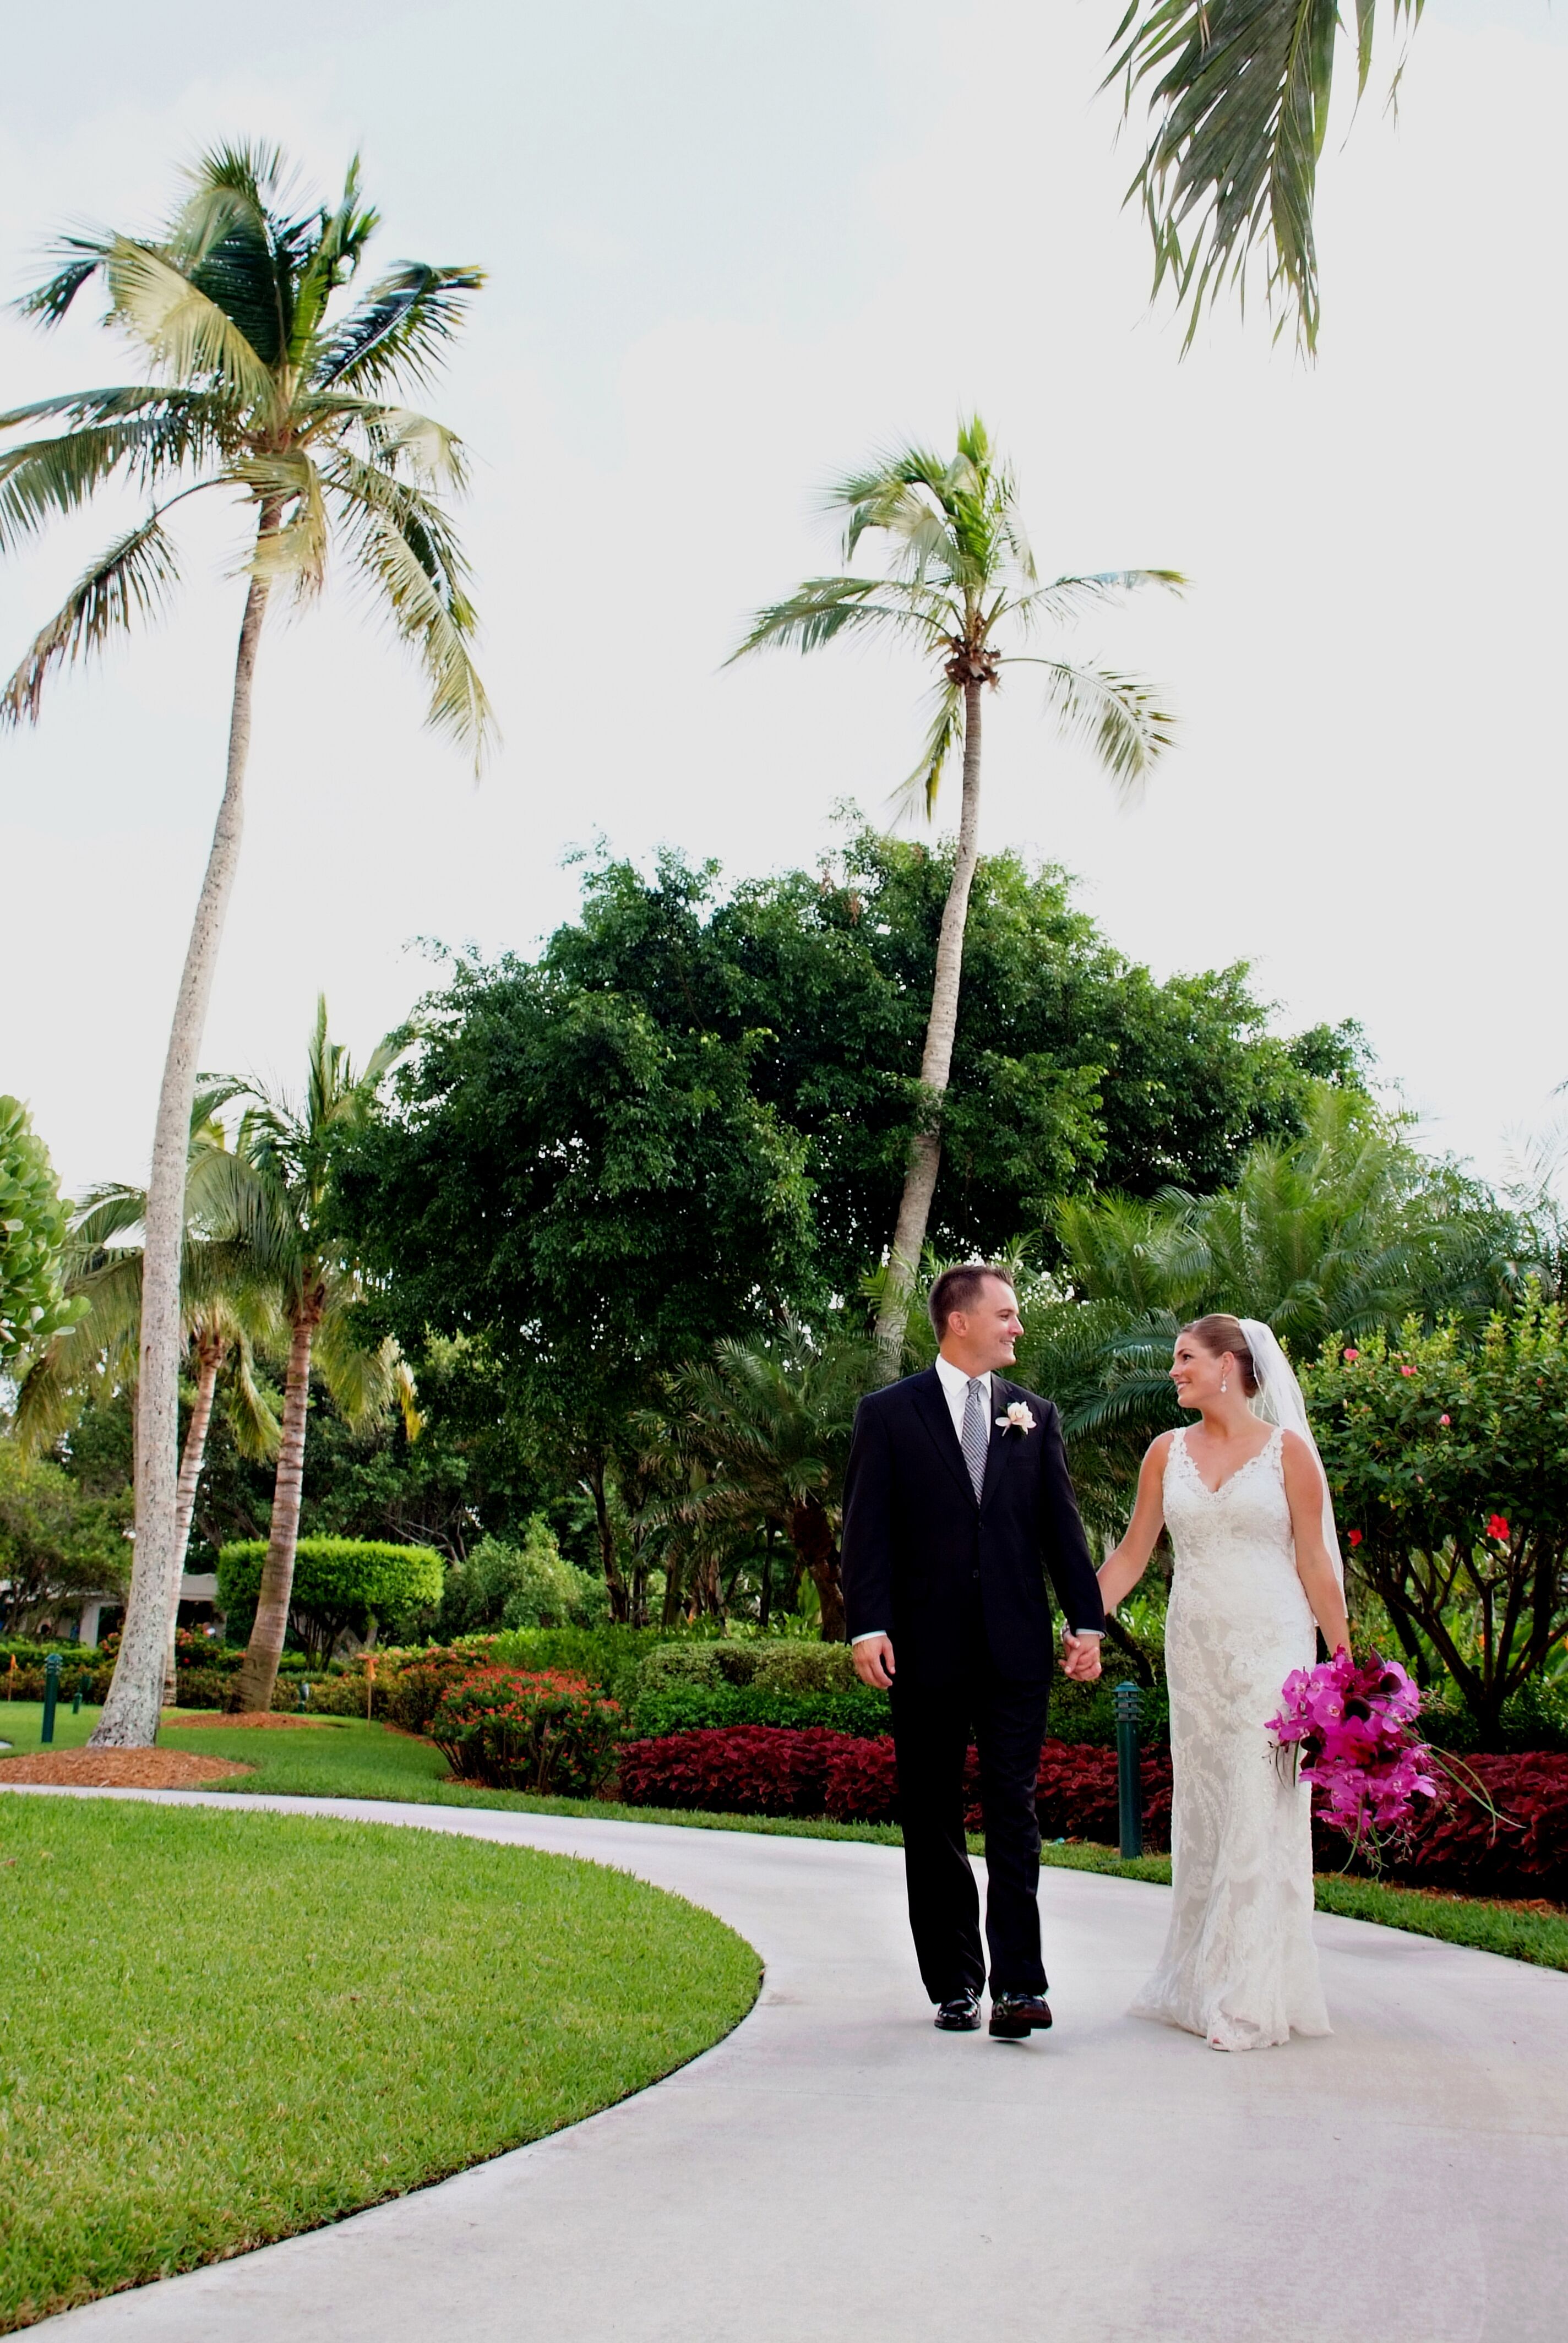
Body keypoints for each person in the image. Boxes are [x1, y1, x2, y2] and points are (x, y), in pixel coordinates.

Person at [841, 1263, 1106, 2040]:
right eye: (1007, 1313)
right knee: (931, 1815)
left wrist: (1085, 1624)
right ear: (960, 1320)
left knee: (1014, 1811)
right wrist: (867, 1625)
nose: (1017, 1326)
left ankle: (1020, 1986)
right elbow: (867, 1531)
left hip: (1016, 1648)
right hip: (921, 1652)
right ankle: (955, 1982)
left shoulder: (1036, 1415)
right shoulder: (887, 1415)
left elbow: (1063, 1531)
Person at [1097, 1312, 1351, 2052]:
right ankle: (1201, 1979)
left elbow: (1315, 1566)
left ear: (1229, 1365)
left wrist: (1347, 1668)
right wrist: (1082, 1621)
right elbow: (1132, 1556)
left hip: (1274, 1648)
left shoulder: (1288, 1455)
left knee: (1256, 1803)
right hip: (1196, 1654)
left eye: (1184, 1358)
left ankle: (1249, 1996)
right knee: (1207, 1811)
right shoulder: (1164, 1453)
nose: (1173, 1371)